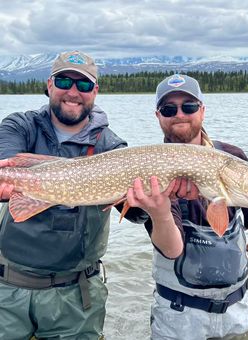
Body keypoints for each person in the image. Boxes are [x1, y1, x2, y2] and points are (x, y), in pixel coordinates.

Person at [126, 74, 248, 339]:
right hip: (179, 317)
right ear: (158, 115)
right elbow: (172, 249)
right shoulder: (154, 170)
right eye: (169, 109)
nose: (180, 114)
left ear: (202, 109)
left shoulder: (231, 157)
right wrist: (160, 211)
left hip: (238, 311)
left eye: (188, 106)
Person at [0, 50, 147, 340]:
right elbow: (6, 162)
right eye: (65, 81)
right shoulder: (20, 125)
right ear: (49, 84)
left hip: (76, 296)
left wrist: (152, 203)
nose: (73, 92)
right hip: (7, 289)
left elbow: (138, 214)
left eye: (83, 85)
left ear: (95, 91)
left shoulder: (113, 147)